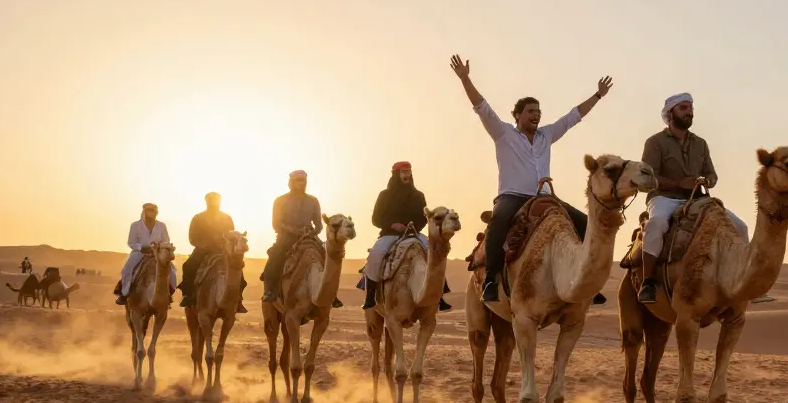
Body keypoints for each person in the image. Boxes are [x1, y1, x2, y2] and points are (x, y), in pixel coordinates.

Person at [450, 54, 612, 304]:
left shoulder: (547, 135)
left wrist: (598, 95)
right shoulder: (503, 133)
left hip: (546, 196)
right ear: (517, 115)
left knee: (586, 223)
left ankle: (584, 280)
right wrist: (465, 79)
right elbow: (482, 107)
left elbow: (573, 116)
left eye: (538, 111)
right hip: (512, 196)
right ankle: (491, 278)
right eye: (530, 111)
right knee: (499, 221)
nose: (536, 115)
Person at [636, 93, 750, 304]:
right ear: (671, 113)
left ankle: (746, 281)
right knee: (656, 224)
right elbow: (648, 179)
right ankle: (648, 282)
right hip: (664, 198)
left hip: (697, 199)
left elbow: (712, 174)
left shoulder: (700, 143)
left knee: (740, 227)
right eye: (683, 108)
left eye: (690, 108)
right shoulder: (655, 142)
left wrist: (707, 180)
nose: (689, 112)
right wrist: (679, 184)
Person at [359, 162, 451, 312]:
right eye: (404, 172)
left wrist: (414, 226)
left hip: (413, 234)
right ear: (396, 174)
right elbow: (376, 219)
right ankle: (370, 296)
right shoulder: (384, 195)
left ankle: (439, 295)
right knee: (376, 254)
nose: (407, 175)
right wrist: (392, 225)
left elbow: (423, 218)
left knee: (433, 254)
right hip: (389, 235)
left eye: (409, 171)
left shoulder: (418, 196)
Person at [261, 170, 342, 307]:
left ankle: (331, 295)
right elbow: (276, 223)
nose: (301, 183)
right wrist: (293, 230)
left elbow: (318, 224)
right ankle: (270, 291)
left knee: (327, 256)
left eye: (303, 180)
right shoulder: (280, 200)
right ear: (291, 182)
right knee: (275, 257)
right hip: (286, 237)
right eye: (298, 180)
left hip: (309, 236)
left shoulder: (313, 201)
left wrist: (313, 232)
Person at [179, 192, 247, 312]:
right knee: (188, 266)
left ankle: (238, 299)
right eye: (211, 202)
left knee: (237, 269)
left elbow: (232, 235)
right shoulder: (198, 218)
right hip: (203, 250)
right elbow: (192, 238)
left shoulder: (227, 218)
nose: (213, 205)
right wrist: (205, 244)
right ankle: (188, 295)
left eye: (216, 202)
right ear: (206, 202)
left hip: (223, 250)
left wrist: (224, 244)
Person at [115, 203, 176, 305]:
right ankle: (124, 294)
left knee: (172, 271)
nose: (150, 213)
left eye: (152, 211)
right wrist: (142, 247)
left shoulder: (161, 226)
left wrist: (158, 246)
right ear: (144, 212)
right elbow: (131, 242)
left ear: (156, 213)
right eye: (148, 211)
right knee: (127, 269)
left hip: (157, 253)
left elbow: (166, 240)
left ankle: (168, 294)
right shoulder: (135, 225)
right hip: (139, 253)